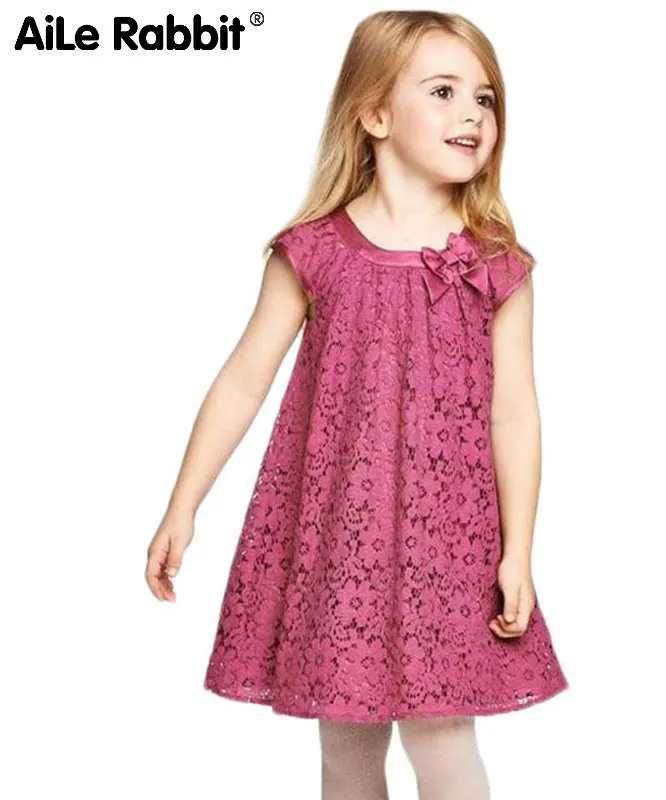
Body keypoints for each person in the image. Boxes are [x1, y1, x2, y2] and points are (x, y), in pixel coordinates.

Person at [145, 10, 568, 800]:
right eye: (442, 92)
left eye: (485, 97)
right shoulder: (313, 252)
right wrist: (183, 504)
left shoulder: (496, 266)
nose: (473, 114)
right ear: (373, 114)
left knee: (443, 742)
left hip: (450, 547)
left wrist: (518, 551)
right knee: (345, 748)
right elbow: (244, 378)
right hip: (339, 538)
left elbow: (515, 414)